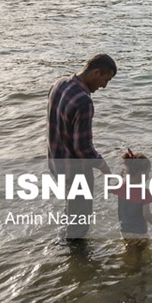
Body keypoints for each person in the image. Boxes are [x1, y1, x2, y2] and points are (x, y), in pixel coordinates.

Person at [46, 53, 116, 238]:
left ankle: (64, 250)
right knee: (80, 222)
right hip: (75, 169)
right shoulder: (84, 101)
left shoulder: (59, 84)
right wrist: (104, 168)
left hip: (55, 162)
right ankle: (75, 257)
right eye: (105, 79)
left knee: (72, 211)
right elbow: (82, 148)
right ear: (96, 72)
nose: (104, 86)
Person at [110, 149, 152, 258]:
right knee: (144, 255)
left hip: (124, 230)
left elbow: (109, 188)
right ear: (142, 173)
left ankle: (129, 269)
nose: (149, 176)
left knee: (129, 252)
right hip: (139, 232)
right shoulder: (144, 192)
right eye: (148, 173)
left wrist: (121, 178)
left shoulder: (121, 187)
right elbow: (146, 214)